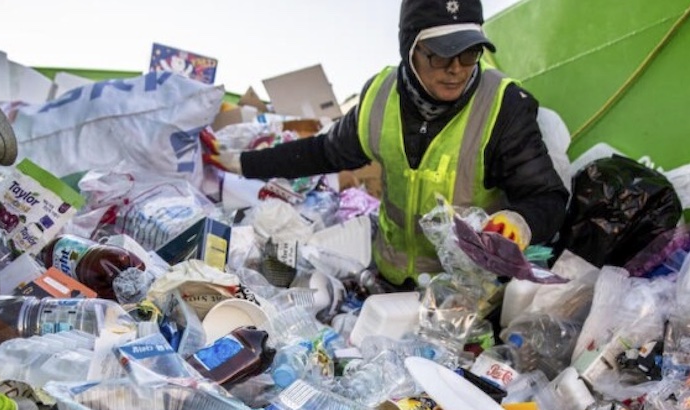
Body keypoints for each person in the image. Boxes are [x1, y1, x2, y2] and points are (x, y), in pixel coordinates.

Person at [206, 0, 569, 287]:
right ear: (410, 48)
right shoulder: (380, 97)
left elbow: (546, 197)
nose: (457, 68)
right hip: (392, 279)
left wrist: (518, 223)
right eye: (441, 54)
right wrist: (242, 163)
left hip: (467, 293)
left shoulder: (502, 106)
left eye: (469, 52)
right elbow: (324, 151)